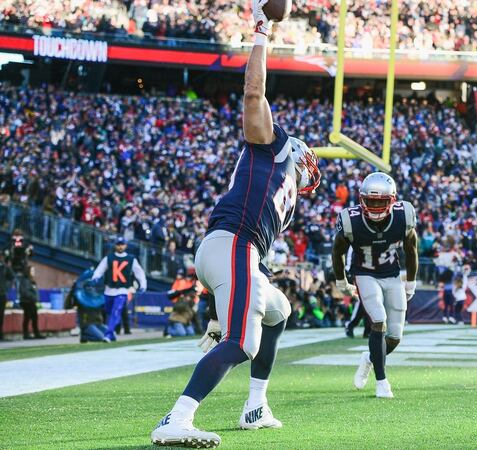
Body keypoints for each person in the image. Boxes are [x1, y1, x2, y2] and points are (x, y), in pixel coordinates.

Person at [150, 5, 321, 446]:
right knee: (243, 342)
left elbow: (246, 273)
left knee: (279, 311)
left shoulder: (286, 195)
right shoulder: (269, 147)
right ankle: (177, 418)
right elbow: (252, 94)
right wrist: (263, 31)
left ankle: (255, 405)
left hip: (234, 254)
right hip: (233, 246)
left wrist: (214, 307)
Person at [332, 172, 418, 399]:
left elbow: (411, 250)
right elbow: (338, 251)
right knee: (378, 320)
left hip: (391, 274)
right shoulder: (351, 220)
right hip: (365, 274)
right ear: (362, 199)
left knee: (395, 336)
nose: (376, 206)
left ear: (392, 200)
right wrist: (341, 281)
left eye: (381, 202)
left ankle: (370, 358)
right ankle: (382, 382)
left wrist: (411, 282)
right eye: (371, 201)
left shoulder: (403, 216)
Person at [92, 237, 147, 342]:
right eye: (118, 244)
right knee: (108, 311)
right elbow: (100, 269)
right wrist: (95, 277)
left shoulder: (131, 259)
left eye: (122, 244)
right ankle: (111, 333)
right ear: (115, 245)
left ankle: (108, 334)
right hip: (109, 290)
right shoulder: (109, 258)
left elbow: (139, 272)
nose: (120, 246)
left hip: (122, 290)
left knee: (116, 312)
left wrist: (143, 285)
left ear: (126, 245)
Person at [66, 268, 110, 343]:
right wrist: (72, 292)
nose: (90, 288)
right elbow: (67, 306)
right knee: (100, 338)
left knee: (111, 337)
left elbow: (105, 310)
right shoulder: (80, 298)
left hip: (98, 324)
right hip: (87, 325)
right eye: (88, 286)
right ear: (84, 288)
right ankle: (84, 335)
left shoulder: (98, 298)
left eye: (91, 286)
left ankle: (87, 335)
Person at [18, 266, 45, 340]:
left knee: (34, 317)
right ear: (28, 271)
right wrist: (33, 297)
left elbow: (34, 291)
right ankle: (26, 334)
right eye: (32, 271)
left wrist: (36, 298)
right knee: (27, 317)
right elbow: (25, 292)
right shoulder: (25, 280)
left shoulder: (31, 281)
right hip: (27, 302)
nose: (33, 272)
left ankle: (36, 333)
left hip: (32, 302)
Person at [0, 254, 14, 341]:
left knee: (1, 315)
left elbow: (12, 277)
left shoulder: (4, 267)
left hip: (1, 295)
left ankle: (0, 335)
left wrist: (5, 287)